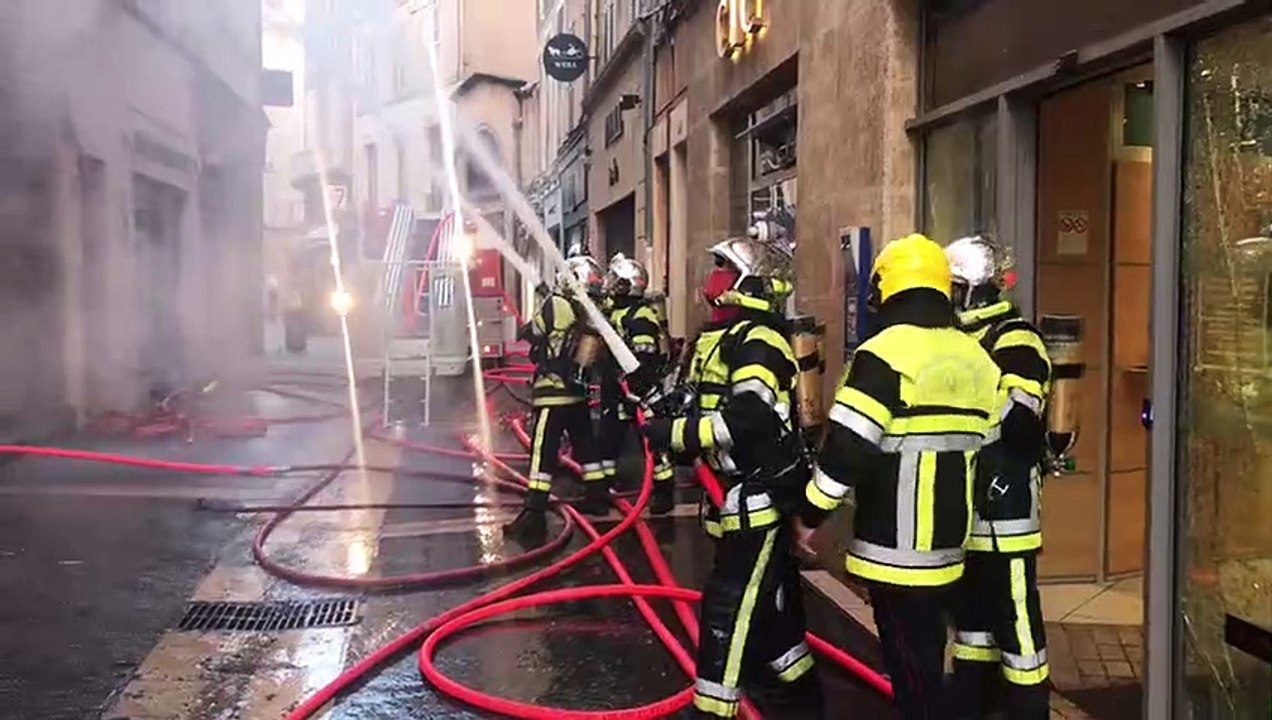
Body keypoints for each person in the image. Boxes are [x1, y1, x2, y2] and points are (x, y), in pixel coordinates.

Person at [794, 233, 1002, 720]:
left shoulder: (883, 355)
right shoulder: (977, 357)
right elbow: (990, 449)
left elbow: (847, 450)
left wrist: (809, 515)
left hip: (894, 555)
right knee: (929, 662)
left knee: (913, 676)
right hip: (953, 549)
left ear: (887, 289)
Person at [643, 237, 822, 719]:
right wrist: (664, 406)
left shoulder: (760, 340)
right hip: (732, 497)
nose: (715, 276)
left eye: (724, 267)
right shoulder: (722, 337)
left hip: (757, 496)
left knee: (728, 607)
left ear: (750, 283)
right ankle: (801, 697)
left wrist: (677, 434)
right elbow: (703, 405)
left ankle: (712, 710)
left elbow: (749, 418)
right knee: (770, 613)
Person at [945, 234, 1052, 719]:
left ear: (976, 290)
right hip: (962, 514)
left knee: (1018, 623)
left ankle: (1030, 710)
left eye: (954, 289)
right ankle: (973, 703)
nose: (948, 299)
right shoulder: (953, 339)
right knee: (970, 624)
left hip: (1005, 514)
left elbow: (1019, 417)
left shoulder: (1016, 337)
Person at [504, 255, 609, 545]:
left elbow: (536, 332)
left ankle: (534, 513)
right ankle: (598, 498)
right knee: (586, 446)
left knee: (543, 451)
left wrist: (530, 323)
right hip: (578, 392)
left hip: (552, 392)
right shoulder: (592, 310)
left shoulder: (556, 304)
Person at [599, 254, 676, 514]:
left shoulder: (640, 316)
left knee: (652, 440)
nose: (611, 285)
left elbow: (645, 358)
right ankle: (605, 487)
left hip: (639, 391)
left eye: (617, 281)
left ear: (629, 285)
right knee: (608, 438)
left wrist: (637, 389)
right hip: (616, 390)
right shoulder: (616, 312)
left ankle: (664, 491)